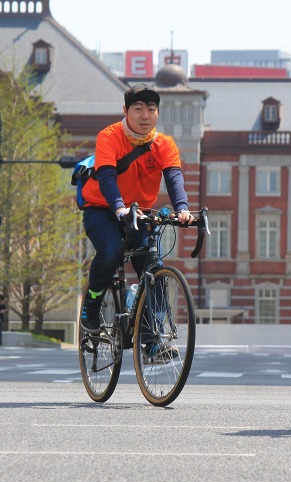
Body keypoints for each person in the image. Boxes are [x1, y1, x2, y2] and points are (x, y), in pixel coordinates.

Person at [79, 83, 194, 360]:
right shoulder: (110, 136)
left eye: (151, 109)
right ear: (126, 111)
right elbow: (106, 176)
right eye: (138, 109)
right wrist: (117, 207)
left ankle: (151, 339)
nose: (145, 115)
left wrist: (183, 208)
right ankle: (92, 306)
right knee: (110, 251)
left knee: (154, 269)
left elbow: (174, 178)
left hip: (139, 213)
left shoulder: (164, 144)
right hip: (102, 208)